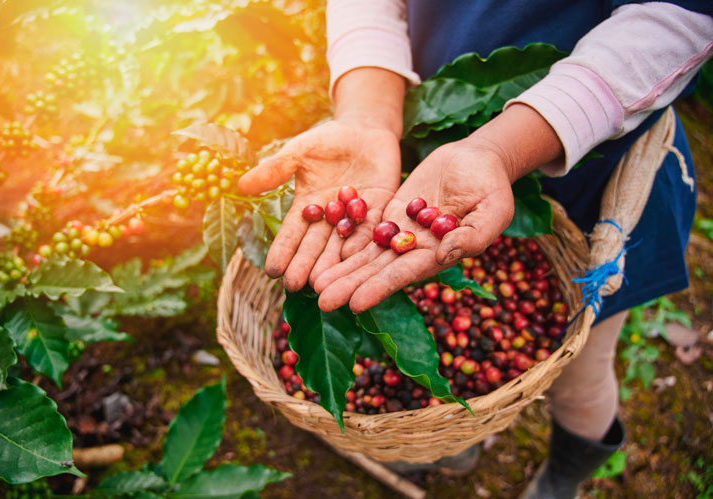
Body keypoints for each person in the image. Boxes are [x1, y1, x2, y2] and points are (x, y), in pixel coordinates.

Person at [239, 1, 713, 496]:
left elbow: (676, 21)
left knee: (581, 377)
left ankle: (565, 475)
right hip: (432, 162)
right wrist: (368, 114)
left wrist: (503, 148)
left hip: (594, 173)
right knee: (439, 331)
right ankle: (456, 434)